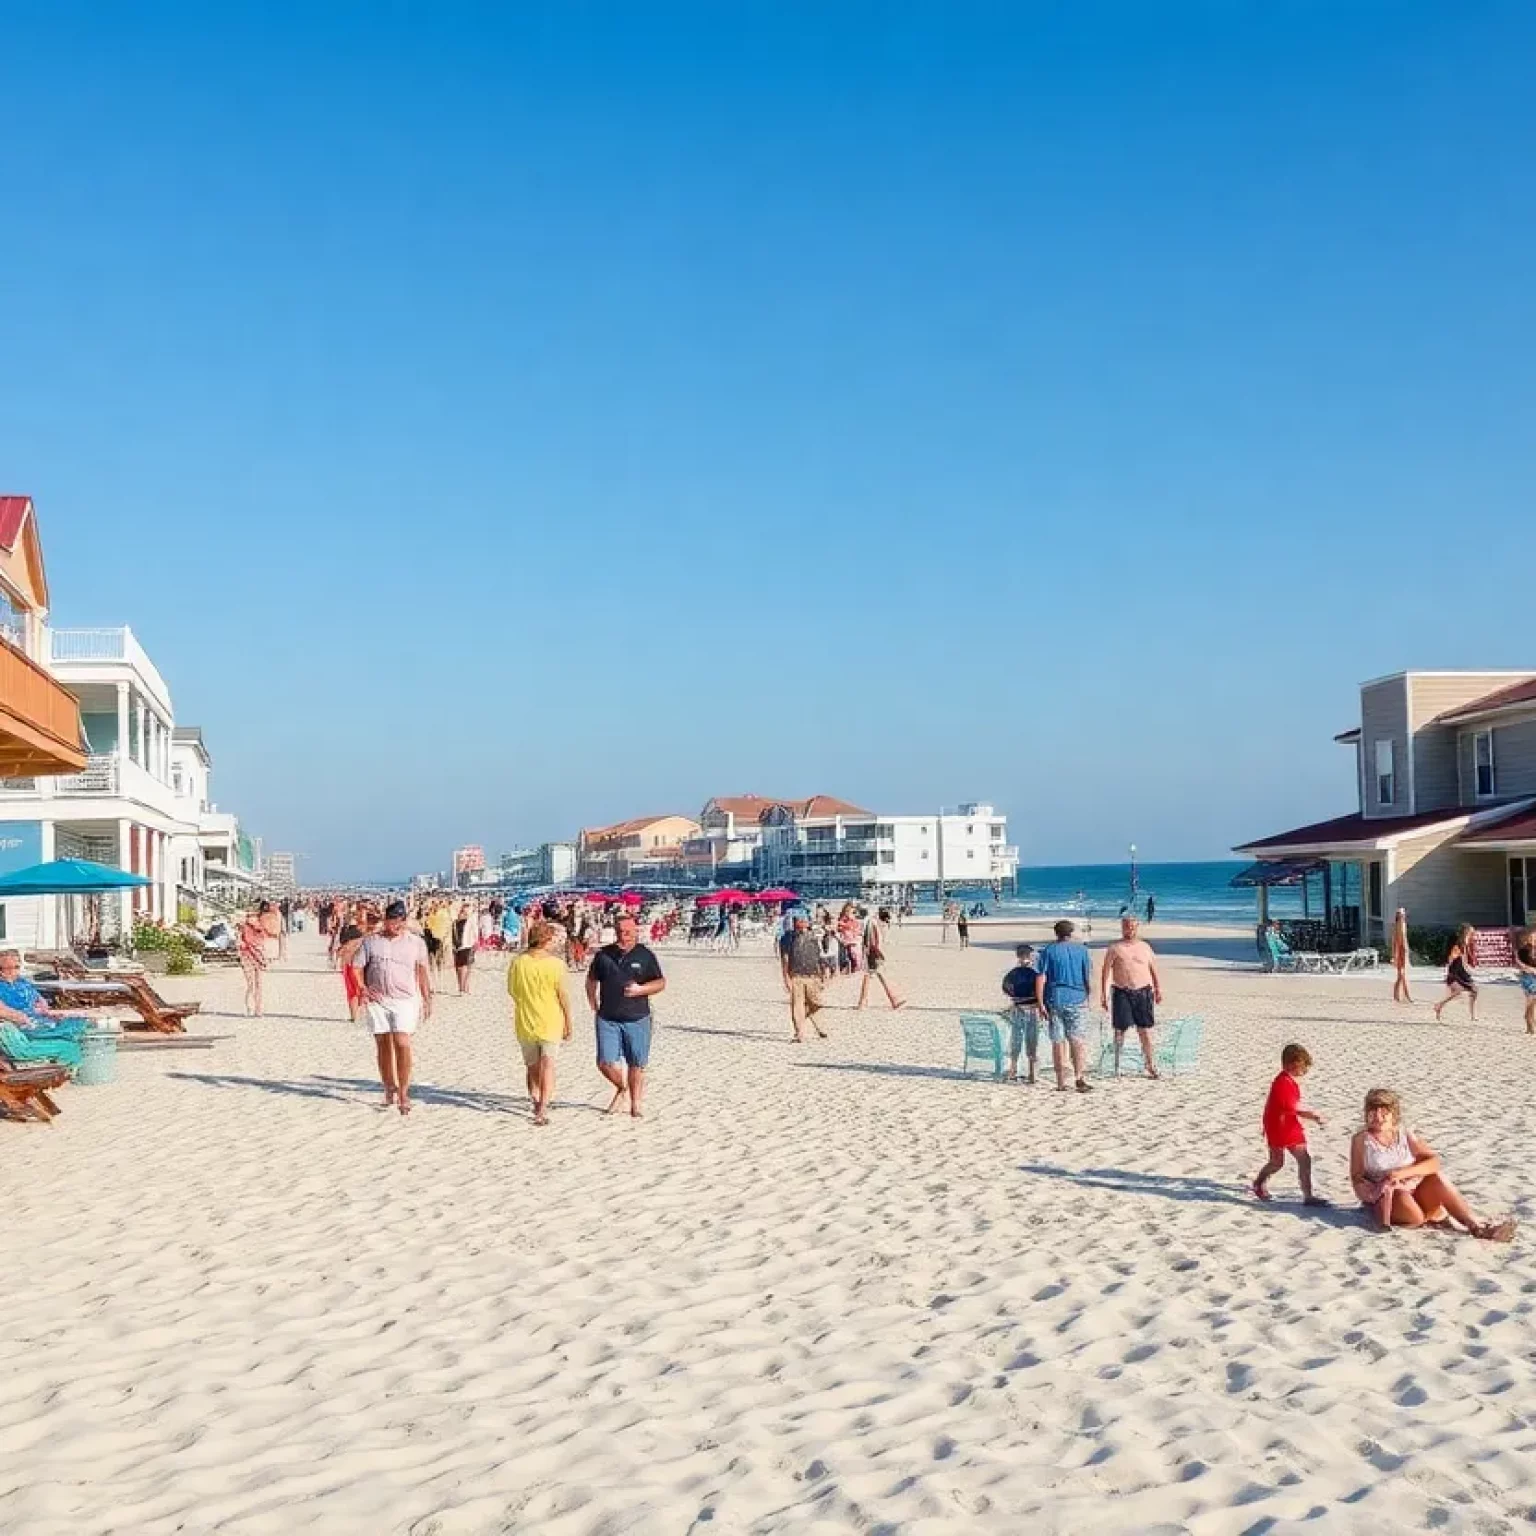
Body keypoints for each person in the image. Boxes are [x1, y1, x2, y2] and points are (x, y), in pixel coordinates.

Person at [1350, 1087, 1515, 1240]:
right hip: (1386, 1194)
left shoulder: (1404, 1134)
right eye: (1373, 1112)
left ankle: (1475, 1226)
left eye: (1384, 1112)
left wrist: (1401, 1174)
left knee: (1437, 1178)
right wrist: (1375, 1192)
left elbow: (1434, 1162)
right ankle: (1437, 1218)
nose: (1378, 1117)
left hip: (1412, 1184)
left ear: (1394, 1114)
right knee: (1415, 1215)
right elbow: (1356, 1178)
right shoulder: (1361, 1140)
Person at [349, 899, 432, 1115]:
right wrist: (362, 988)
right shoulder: (371, 942)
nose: (398, 925)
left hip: (405, 998)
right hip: (378, 1000)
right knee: (383, 1045)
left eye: (401, 920)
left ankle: (404, 1092)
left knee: (402, 1042)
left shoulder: (416, 943)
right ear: (385, 920)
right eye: (394, 920)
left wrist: (427, 998)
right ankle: (389, 1087)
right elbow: (356, 967)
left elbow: (422, 971)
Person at [586, 912, 665, 1117]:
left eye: (628, 932)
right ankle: (621, 1088)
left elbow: (660, 982)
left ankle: (635, 1104)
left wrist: (640, 990)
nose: (624, 936)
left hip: (638, 1017)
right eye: (620, 932)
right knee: (605, 1062)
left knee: (636, 1063)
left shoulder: (644, 955)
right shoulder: (604, 955)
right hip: (608, 1017)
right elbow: (591, 980)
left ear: (635, 931)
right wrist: (593, 1002)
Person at [508, 920, 572, 1125]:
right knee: (548, 1064)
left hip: (526, 1017)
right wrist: (568, 1021)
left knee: (533, 1066)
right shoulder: (556, 964)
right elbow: (562, 995)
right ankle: (542, 1107)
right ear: (546, 939)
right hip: (550, 1018)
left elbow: (513, 991)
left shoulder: (518, 962)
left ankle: (537, 1101)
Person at [1253, 1043, 1329, 1205]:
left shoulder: (1289, 1081)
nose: (1304, 1070)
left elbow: (1292, 1108)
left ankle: (1308, 1196)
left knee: (1304, 1159)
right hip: (1277, 1126)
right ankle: (1259, 1182)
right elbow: (1289, 1107)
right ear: (1290, 1065)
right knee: (1277, 1162)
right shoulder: (1281, 1083)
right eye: (1302, 1066)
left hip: (1290, 1124)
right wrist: (1312, 1116)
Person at [1100, 915, 1163, 1079]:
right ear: (1122, 928)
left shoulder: (1145, 947)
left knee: (1145, 1031)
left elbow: (1153, 969)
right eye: (1127, 927)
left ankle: (1150, 1065)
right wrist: (1104, 994)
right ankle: (1117, 1066)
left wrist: (1158, 989)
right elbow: (1106, 972)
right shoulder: (1115, 948)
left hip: (1143, 991)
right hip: (1122, 991)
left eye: (1133, 927)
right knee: (1120, 1030)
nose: (1130, 930)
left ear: (1137, 928)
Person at [1035, 919, 1093, 1092]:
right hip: (1077, 996)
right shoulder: (1082, 950)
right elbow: (1087, 977)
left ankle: (1061, 1081)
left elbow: (1041, 978)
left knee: (1058, 1041)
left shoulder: (1048, 951)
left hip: (1055, 998)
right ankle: (1079, 1077)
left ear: (1056, 933)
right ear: (1071, 933)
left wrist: (1040, 1003)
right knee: (1077, 1039)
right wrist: (1088, 997)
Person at [0, 949, 89, 1044]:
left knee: (80, 1022)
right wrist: (20, 1017)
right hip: (23, 1027)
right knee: (71, 1034)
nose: (13, 971)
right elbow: (6, 1013)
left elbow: (40, 1002)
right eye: (8, 968)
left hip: (39, 1021)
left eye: (17, 967)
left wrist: (46, 1011)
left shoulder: (22, 982)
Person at [779, 911, 829, 1042]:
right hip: (796, 975)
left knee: (816, 1003)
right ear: (794, 922)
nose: (802, 922)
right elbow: (785, 959)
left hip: (813, 975)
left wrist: (824, 973)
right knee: (797, 1005)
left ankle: (816, 1025)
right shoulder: (787, 938)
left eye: (804, 920)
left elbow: (820, 956)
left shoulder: (814, 936)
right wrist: (786, 978)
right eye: (799, 920)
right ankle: (799, 1032)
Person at [1000, 942, 1042, 1083]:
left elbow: (1006, 987)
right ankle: (1031, 1072)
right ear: (1030, 956)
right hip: (1032, 1008)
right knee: (1032, 1040)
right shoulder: (1034, 973)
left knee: (1016, 1039)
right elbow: (1040, 989)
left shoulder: (1013, 973)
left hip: (1018, 1007)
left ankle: (1013, 1069)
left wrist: (1014, 996)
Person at [856, 906, 906, 1010]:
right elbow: (873, 941)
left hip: (871, 952)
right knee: (877, 975)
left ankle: (863, 1001)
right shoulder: (873, 923)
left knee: (870, 976)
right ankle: (894, 1000)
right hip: (873, 953)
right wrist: (878, 952)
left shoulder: (872, 922)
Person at [1433, 924, 1478, 1022]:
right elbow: (1452, 956)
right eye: (1470, 933)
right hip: (1456, 972)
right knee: (1459, 991)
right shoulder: (1459, 944)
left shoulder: (1465, 943)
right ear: (1465, 932)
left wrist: (1468, 967)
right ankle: (1439, 1005)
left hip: (1462, 972)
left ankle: (1472, 1015)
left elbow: (1464, 958)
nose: (1472, 935)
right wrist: (1449, 968)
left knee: (1474, 991)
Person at [336, 905, 371, 1023]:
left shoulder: (345, 935)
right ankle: (360, 1014)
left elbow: (340, 952)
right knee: (360, 989)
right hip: (359, 966)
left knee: (351, 992)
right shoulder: (361, 937)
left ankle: (354, 1016)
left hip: (347, 964)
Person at [239, 906, 269, 1016]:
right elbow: (240, 943)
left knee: (259, 984)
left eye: (253, 916)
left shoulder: (260, 929)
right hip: (247, 957)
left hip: (258, 958)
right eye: (249, 916)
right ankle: (250, 1007)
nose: (251, 919)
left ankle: (258, 1008)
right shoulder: (243, 928)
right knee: (251, 984)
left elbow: (262, 944)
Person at [452, 901, 476, 995]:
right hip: (467, 945)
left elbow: (452, 935)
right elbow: (474, 933)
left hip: (457, 946)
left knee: (459, 968)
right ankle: (464, 988)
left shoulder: (455, 922)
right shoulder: (470, 920)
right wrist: (475, 943)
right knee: (466, 967)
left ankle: (462, 988)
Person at [1390, 907, 1412, 1004]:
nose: (1402, 915)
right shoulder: (1396, 926)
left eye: (1403, 913)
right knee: (1402, 975)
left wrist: (1407, 950)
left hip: (1404, 951)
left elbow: (1405, 938)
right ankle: (1407, 996)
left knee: (1401, 975)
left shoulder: (1404, 924)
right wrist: (1394, 955)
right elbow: (1395, 941)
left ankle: (1396, 994)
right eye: (1400, 913)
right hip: (1399, 952)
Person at [1516, 929, 1536, 1036]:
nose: (1533, 939)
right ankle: (1530, 1025)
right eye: (1531, 937)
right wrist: (1527, 968)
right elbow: (1518, 963)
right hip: (1527, 978)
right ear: (1527, 938)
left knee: (1532, 1002)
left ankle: (1528, 1020)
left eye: (1535, 938)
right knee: (1531, 1001)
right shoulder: (1523, 950)